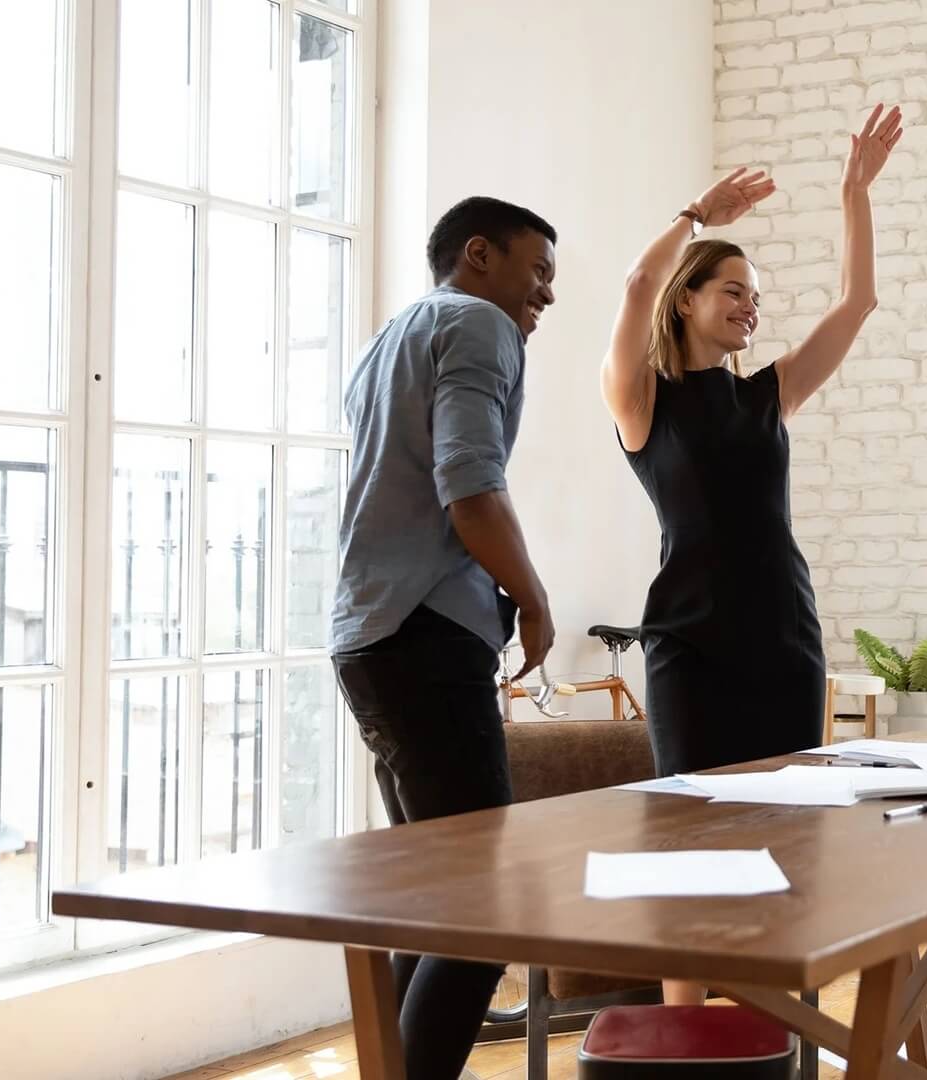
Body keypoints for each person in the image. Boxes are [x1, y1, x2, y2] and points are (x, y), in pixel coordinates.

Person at [598, 104, 902, 1006]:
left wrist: (856, 193)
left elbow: (858, 303)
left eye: (755, 295)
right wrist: (697, 214)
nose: (749, 306)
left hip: (782, 638)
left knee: (784, 837)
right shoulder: (641, 398)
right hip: (689, 643)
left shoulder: (769, 395)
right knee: (692, 842)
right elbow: (629, 284)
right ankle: (687, 1037)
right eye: (732, 289)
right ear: (685, 300)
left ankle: (774, 1032)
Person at [331, 195, 559, 1080]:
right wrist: (532, 596)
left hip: (370, 636)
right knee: (478, 918)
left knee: (439, 906)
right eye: (537, 269)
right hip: (426, 635)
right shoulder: (478, 323)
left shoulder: (386, 342)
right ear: (478, 254)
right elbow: (470, 483)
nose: (545, 293)